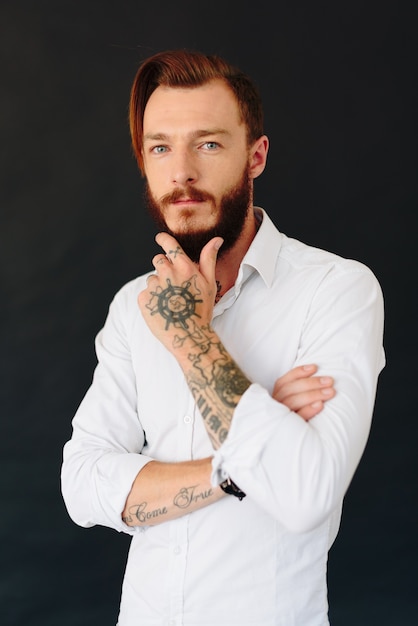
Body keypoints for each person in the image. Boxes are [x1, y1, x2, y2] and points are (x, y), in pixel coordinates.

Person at [61, 49, 385, 625]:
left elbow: (305, 492)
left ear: (255, 156)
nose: (181, 171)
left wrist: (191, 340)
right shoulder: (134, 307)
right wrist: (233, 470)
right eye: (161, 147)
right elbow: (83, 486)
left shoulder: (337, 289)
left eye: (207, 144)